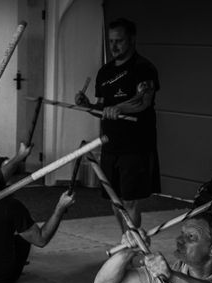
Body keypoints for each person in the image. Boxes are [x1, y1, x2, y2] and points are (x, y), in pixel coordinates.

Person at [75, 18, 160, 233]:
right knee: (115, 200)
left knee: (130, 201)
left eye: (119, 41)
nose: (114, 46)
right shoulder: (104, 73)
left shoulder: (144, 68)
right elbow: (102, 109)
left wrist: (119, 108)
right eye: (111, 41)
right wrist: (88, 106)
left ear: (132, 40)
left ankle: (132, 246)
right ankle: (126, 241)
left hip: (136, 146)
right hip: (111, 144)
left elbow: (143, 101)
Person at [0, 145, 76, 283]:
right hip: (1, 276)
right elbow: (41, 239)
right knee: (22, 237)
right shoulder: (11, 206)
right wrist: (60, 208)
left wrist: (20, 156)